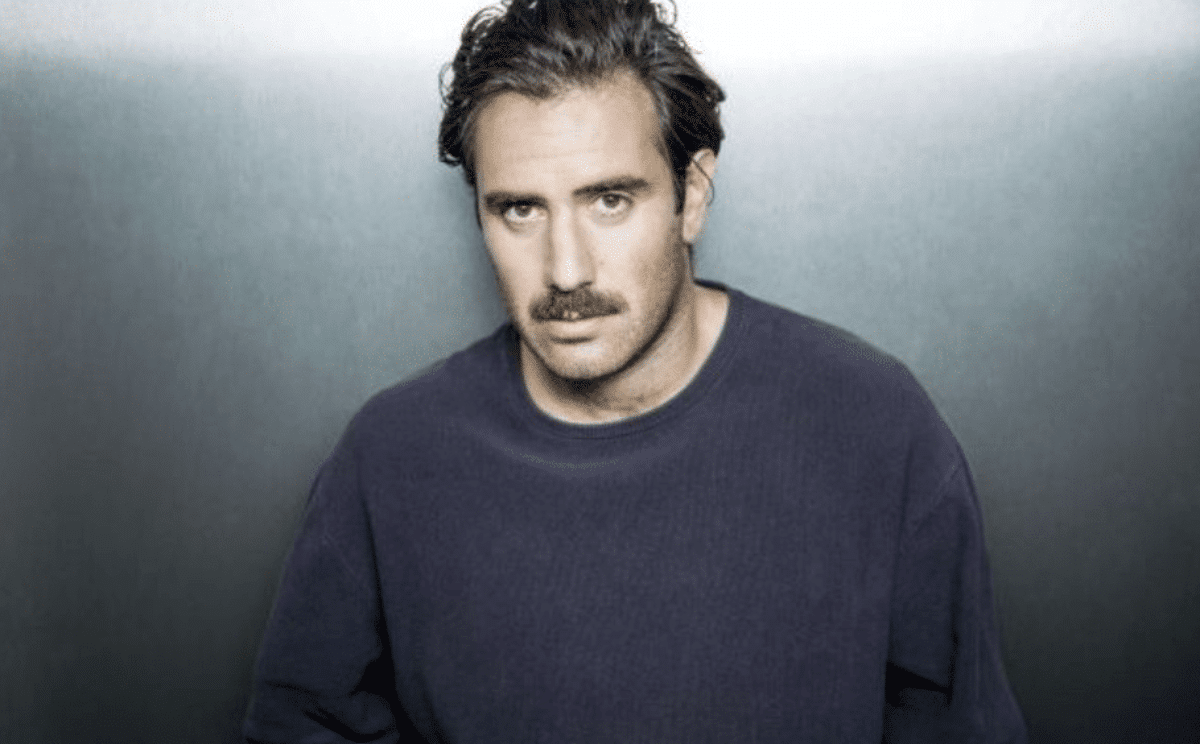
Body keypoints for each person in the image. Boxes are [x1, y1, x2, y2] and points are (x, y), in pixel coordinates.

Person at [242, 0, 1028, 741]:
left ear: (693, 195)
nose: (566, 269)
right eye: (520, 209)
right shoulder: (391, 458)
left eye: (610, 201)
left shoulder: (875, 428)